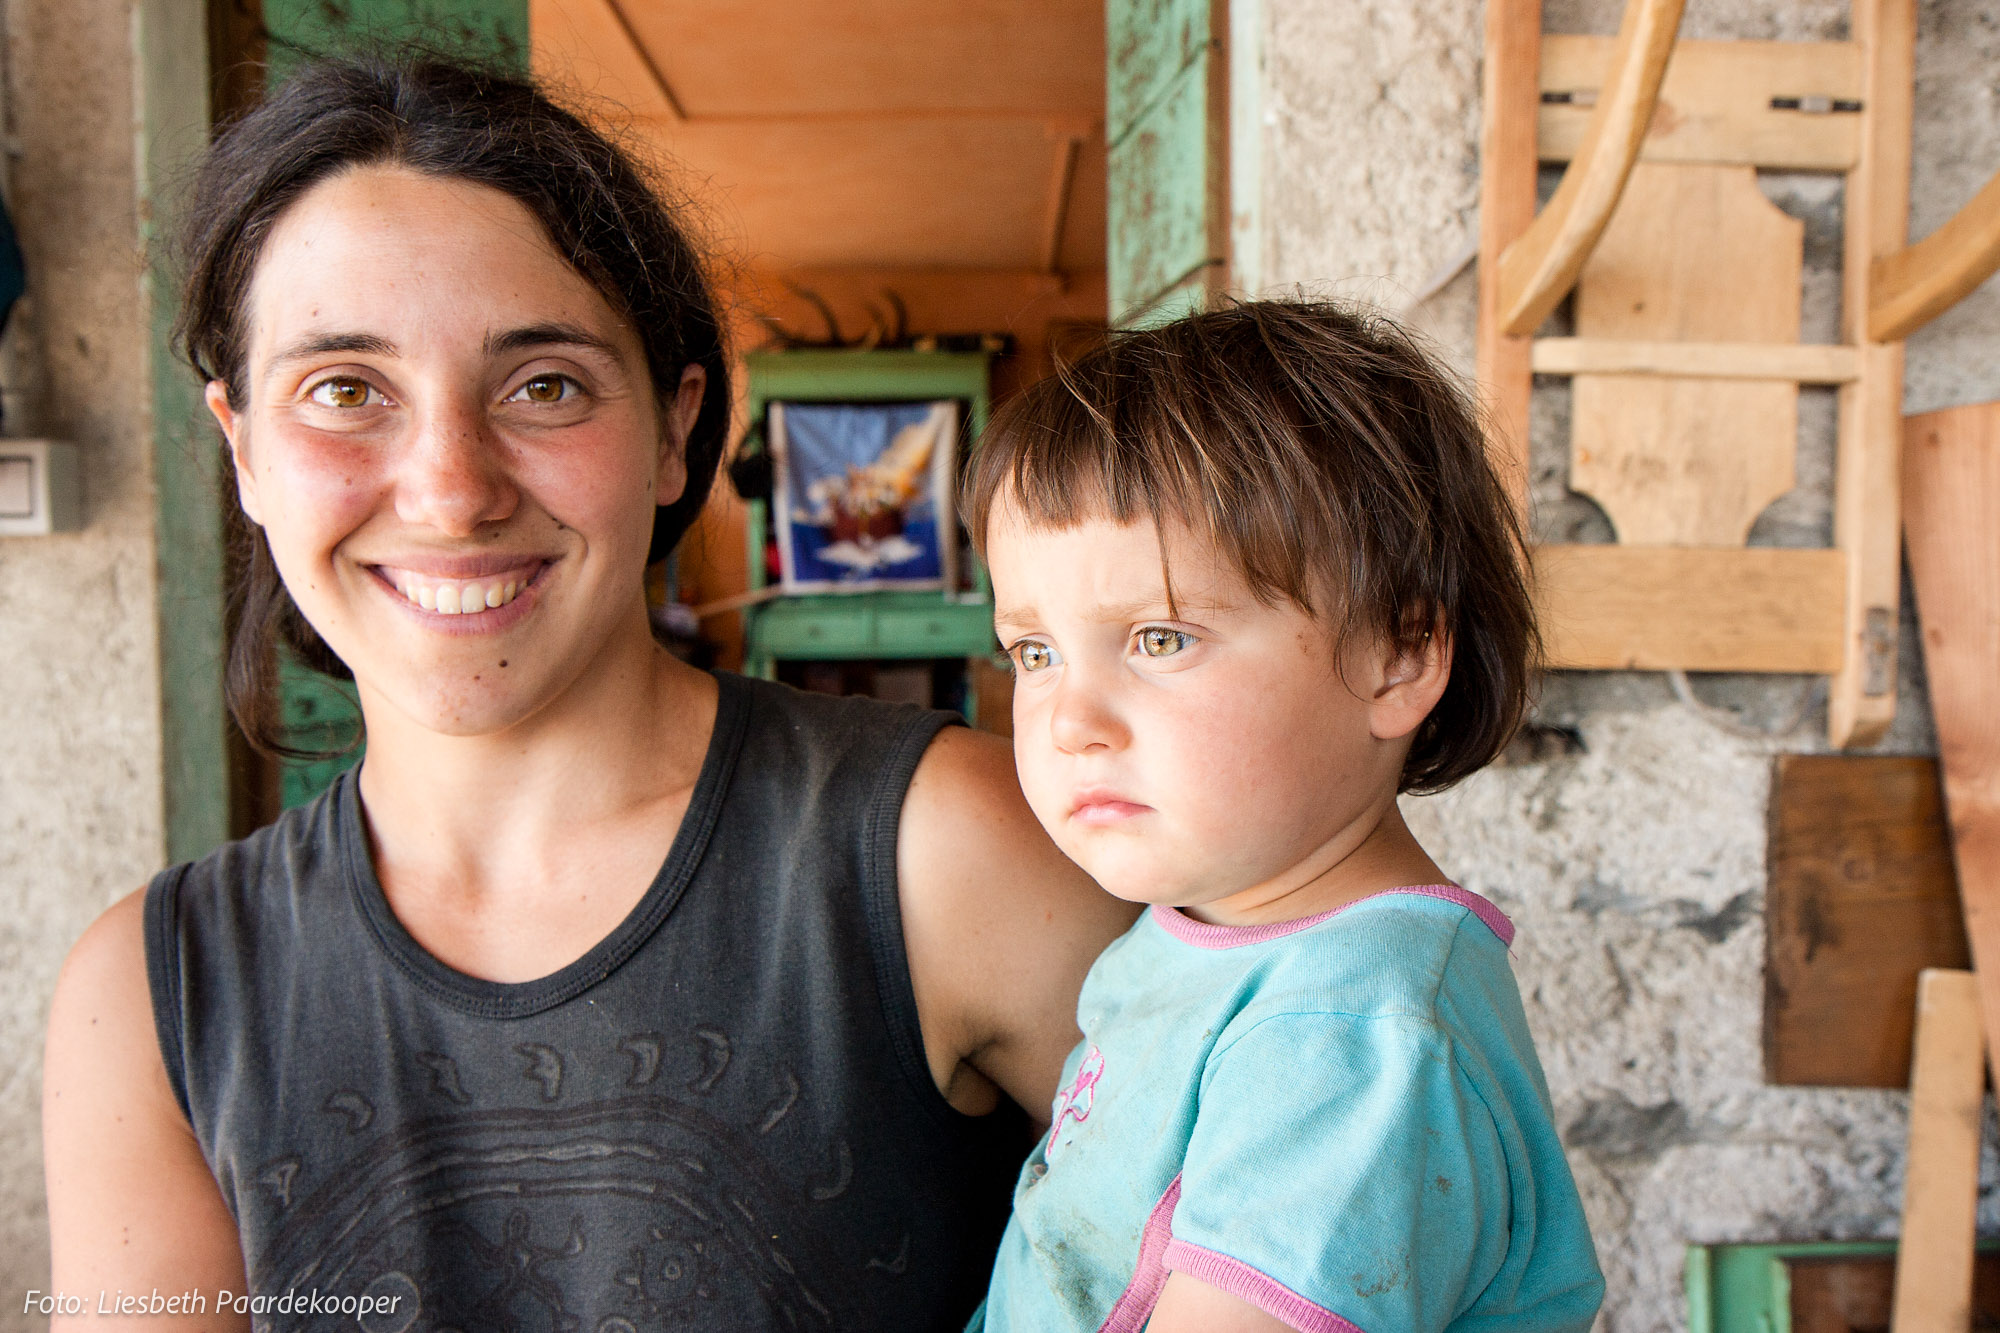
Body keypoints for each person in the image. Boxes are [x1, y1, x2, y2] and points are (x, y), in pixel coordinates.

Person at [41, 56, 1134, 1332]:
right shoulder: (153, 997)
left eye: (543, 385)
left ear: (674, 429)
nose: (452, 492)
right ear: (243, 450)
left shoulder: (945, 852)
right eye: (345, 391)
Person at [962, 301, 1606, 1332]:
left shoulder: (1348, 1036)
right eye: (1035, 653)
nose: (1071, 722)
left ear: (1397, 656)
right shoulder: (1218, 930)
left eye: (1160, 638)